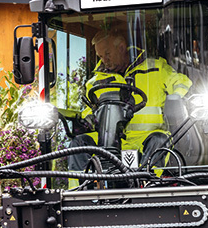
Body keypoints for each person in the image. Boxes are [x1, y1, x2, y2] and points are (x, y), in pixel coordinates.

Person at [68, 25, 192, 176]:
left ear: (121, 47)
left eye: (107, 54)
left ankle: (150, 186)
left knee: (160, 140)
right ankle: (80, 192)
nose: (104, 60)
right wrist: (86, 120)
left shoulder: (156, 68)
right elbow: (89, 110)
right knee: (78, 144)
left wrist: (176, 97)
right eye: (100, 56)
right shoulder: (94, 83)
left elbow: (181, 82)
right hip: (109, 141)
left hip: (146, 137)